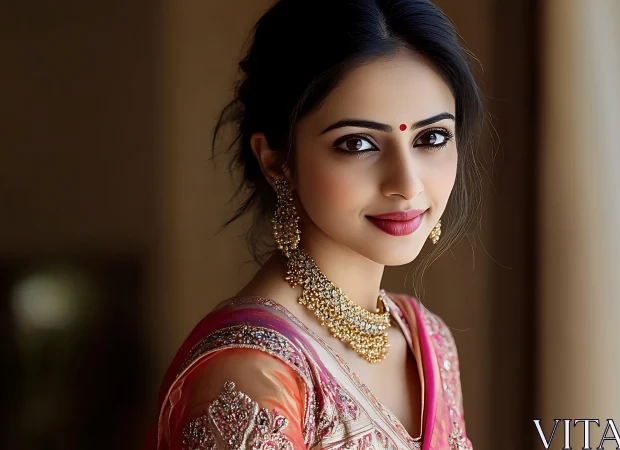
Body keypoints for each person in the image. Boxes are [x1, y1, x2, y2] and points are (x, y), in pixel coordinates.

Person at [144, 0, 486, 448]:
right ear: (276, 160)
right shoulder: (252, 373)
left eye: (431, 138)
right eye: (358, 143)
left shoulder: (429, 343)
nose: (406, 183)